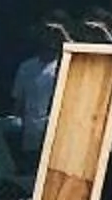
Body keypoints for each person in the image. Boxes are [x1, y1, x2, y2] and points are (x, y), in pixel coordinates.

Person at [7, 17, 70, 166]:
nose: (49, 40)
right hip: (32, 133)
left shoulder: (65, 66)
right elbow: (18, 101)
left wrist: (64, 36)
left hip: (57, 133)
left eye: (53, 36)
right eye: (45, 35)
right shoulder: (26, 67)